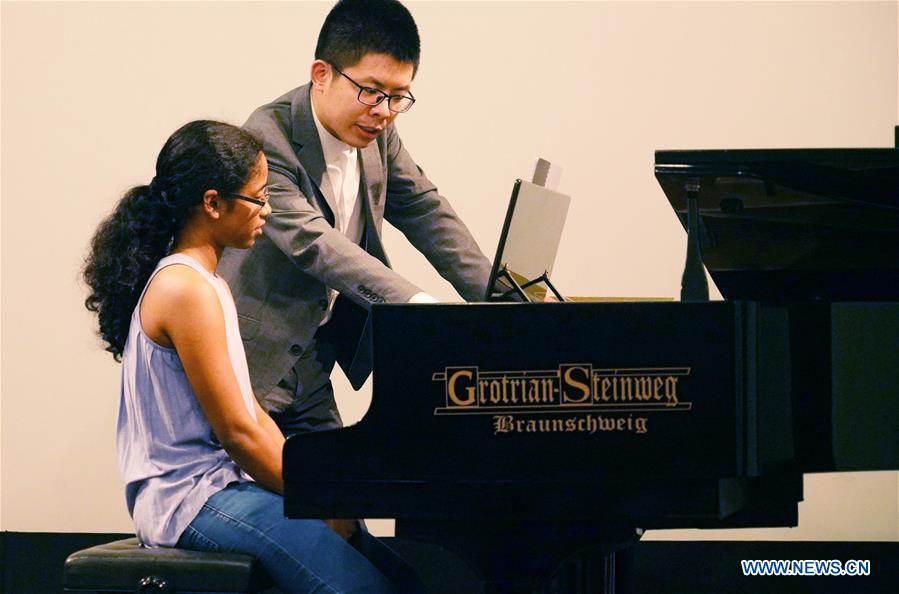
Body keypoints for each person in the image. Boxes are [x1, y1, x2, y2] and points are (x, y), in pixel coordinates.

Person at [83, 120, 421, 593]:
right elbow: (238, 432)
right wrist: (316, 499)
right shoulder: (185, 289)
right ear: (213, 203)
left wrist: (322, 492)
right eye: (258, 197)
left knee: (397, 576)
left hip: (221, 484)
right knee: (363, 588)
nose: (266, 210)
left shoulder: (208, 284)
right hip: (189, 497)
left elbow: (254, 416)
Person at [218, 0, 493, 434]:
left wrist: (501, 298)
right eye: (371, 90)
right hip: (253, 360)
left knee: (343, 495)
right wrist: (417, 307)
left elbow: (426, 210)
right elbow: (313, 243)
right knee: (272, 497)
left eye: (399, 97)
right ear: (321, 74)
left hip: (311, 361)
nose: (383, 110)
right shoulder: (267, 138)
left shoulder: (379, 134)